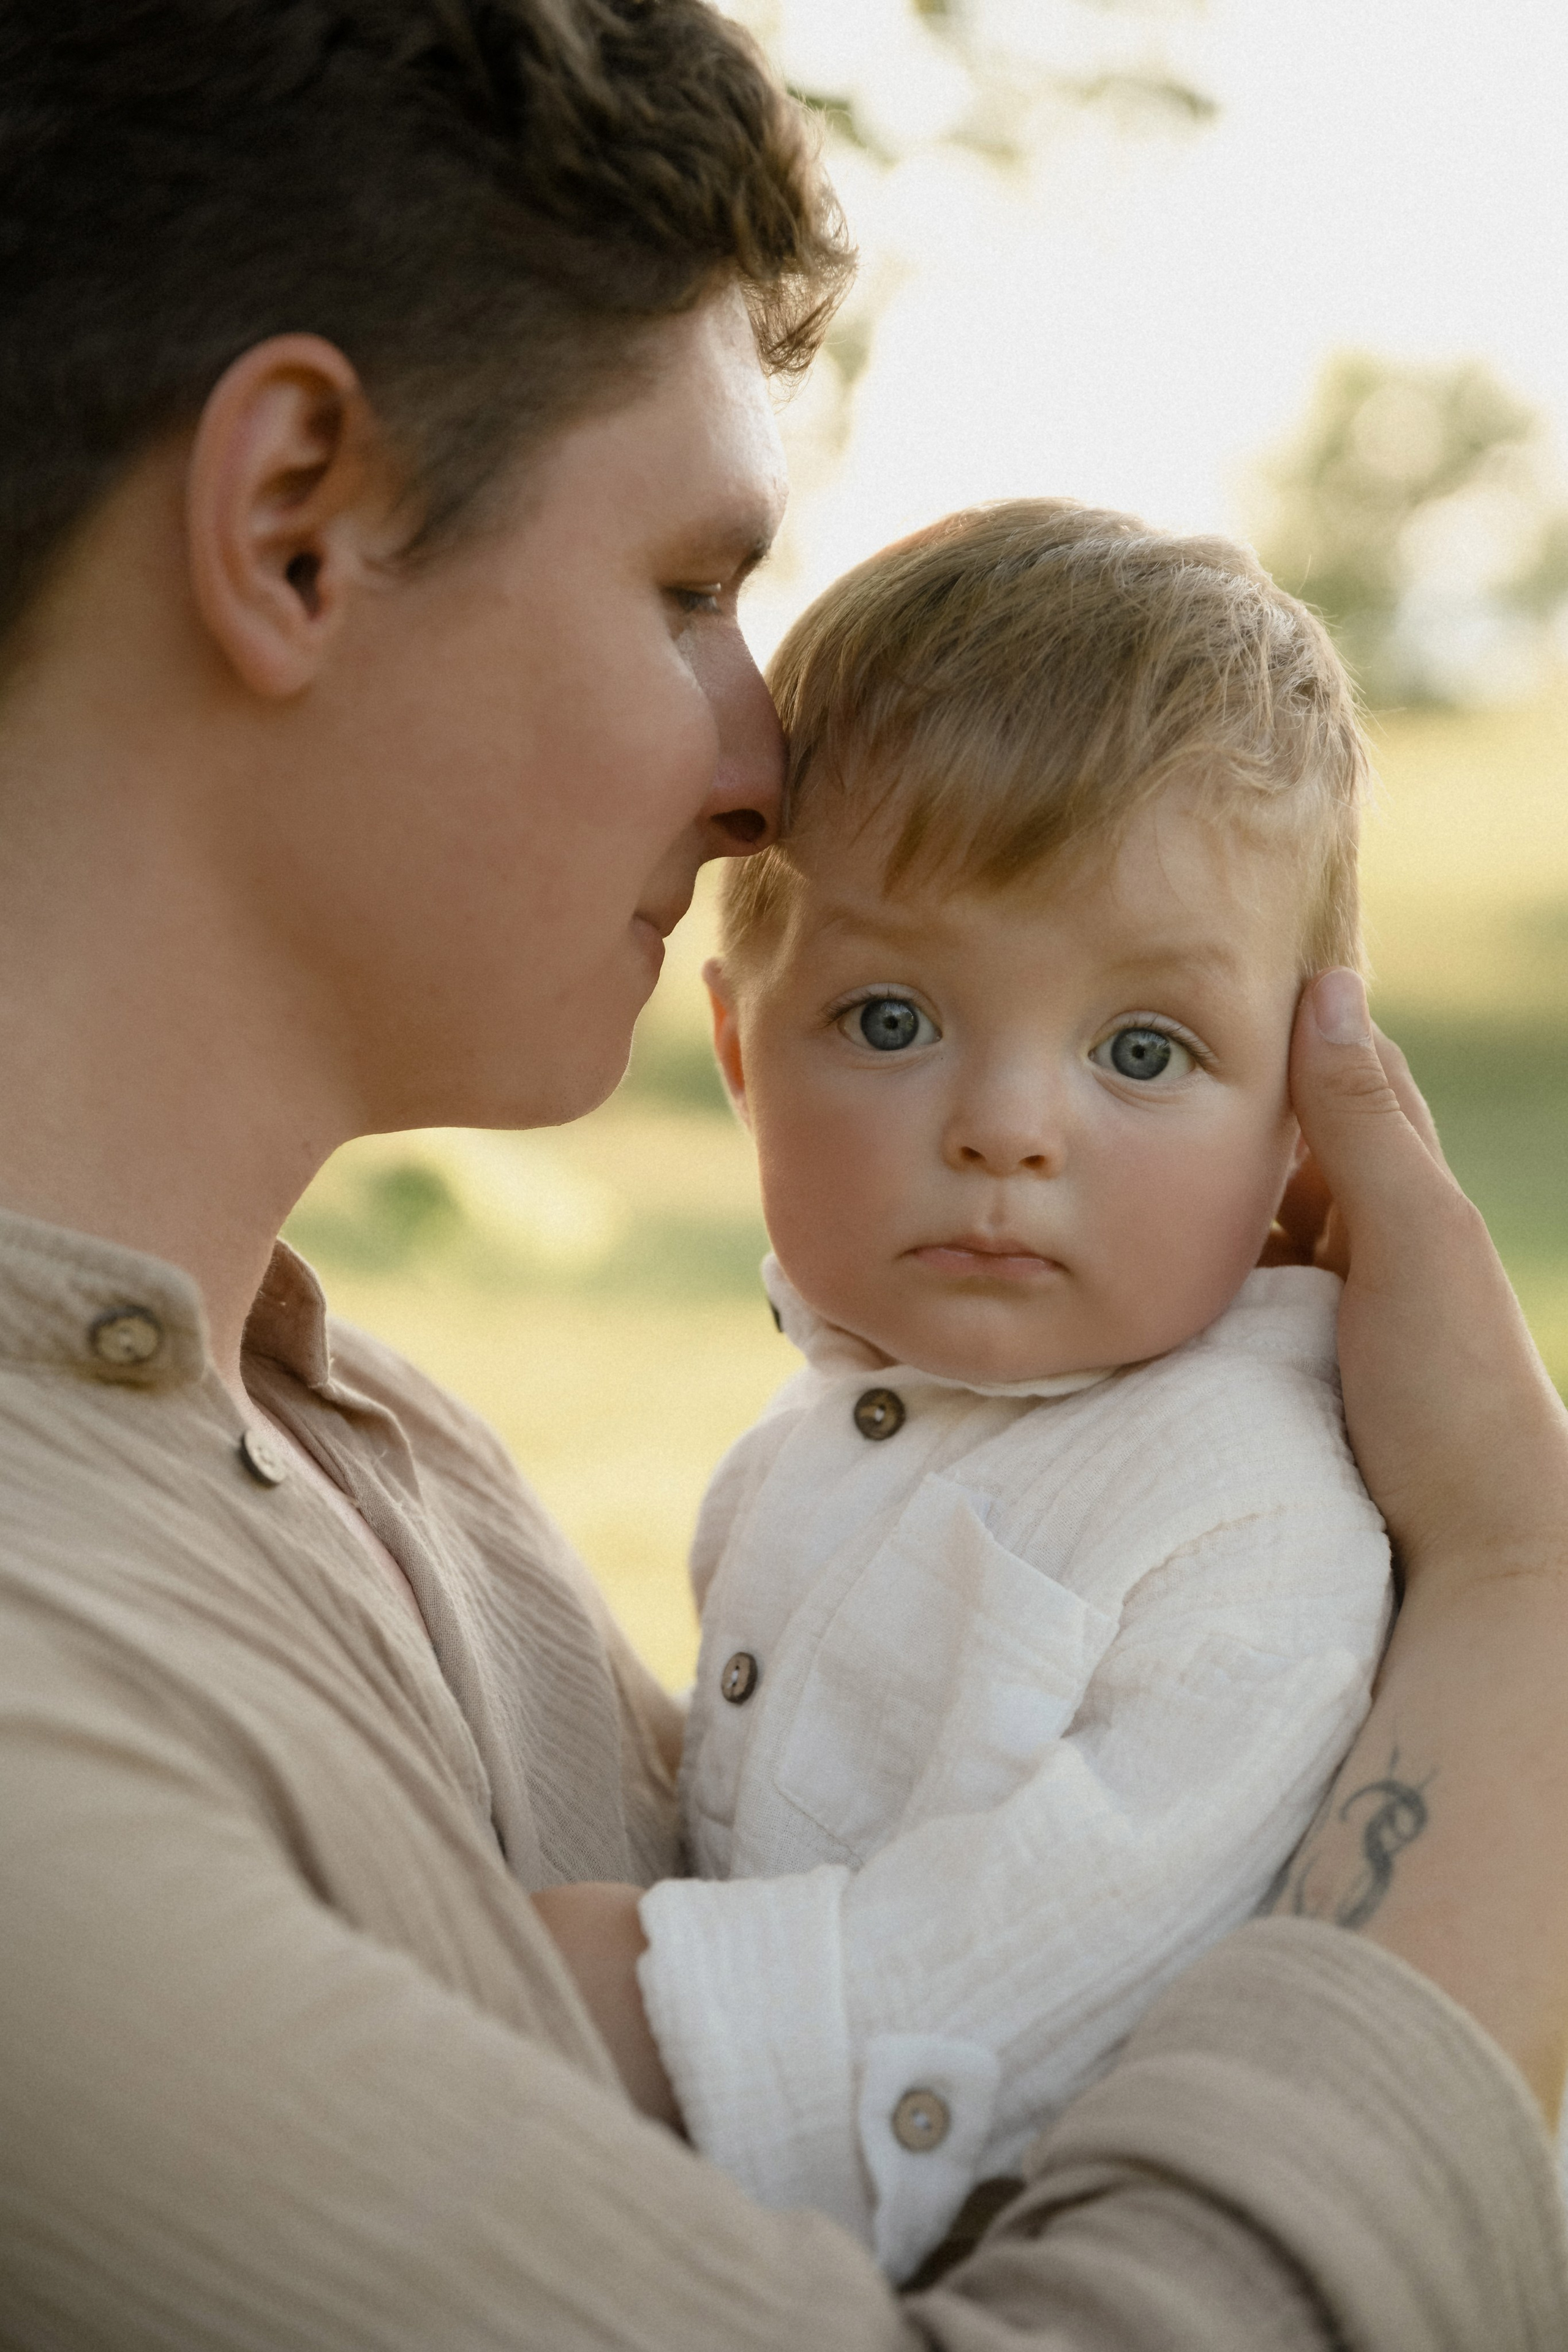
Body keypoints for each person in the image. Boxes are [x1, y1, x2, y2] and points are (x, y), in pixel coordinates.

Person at [1, 4, 1566, 2346]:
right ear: (297, 522)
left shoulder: (375, 1444)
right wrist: (1526, 1613)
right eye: (687, 588)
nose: (761, 766)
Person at [625, 501, 1393, 2279]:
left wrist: (632, 1992)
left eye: (1144, 1049)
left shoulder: (1255, 1501)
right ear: (746, 1054)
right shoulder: (790, 1461)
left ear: (1303, 1108)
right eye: (892, 1020)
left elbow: (1078, 1929)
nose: (1006, 1126)